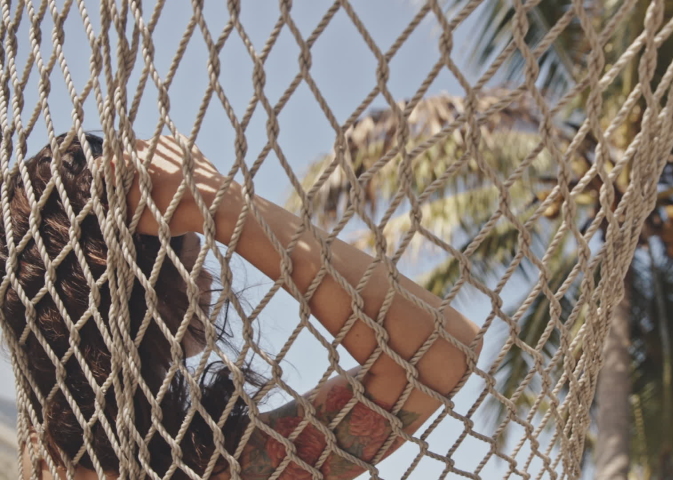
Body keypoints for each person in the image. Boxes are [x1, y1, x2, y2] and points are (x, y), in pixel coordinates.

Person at [1, 133, 482, 479]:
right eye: (191, 256)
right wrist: (221, 202)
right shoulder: (215, 466)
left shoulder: (40, 448)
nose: (208, 278)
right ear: (133, 289)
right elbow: (441, 354)